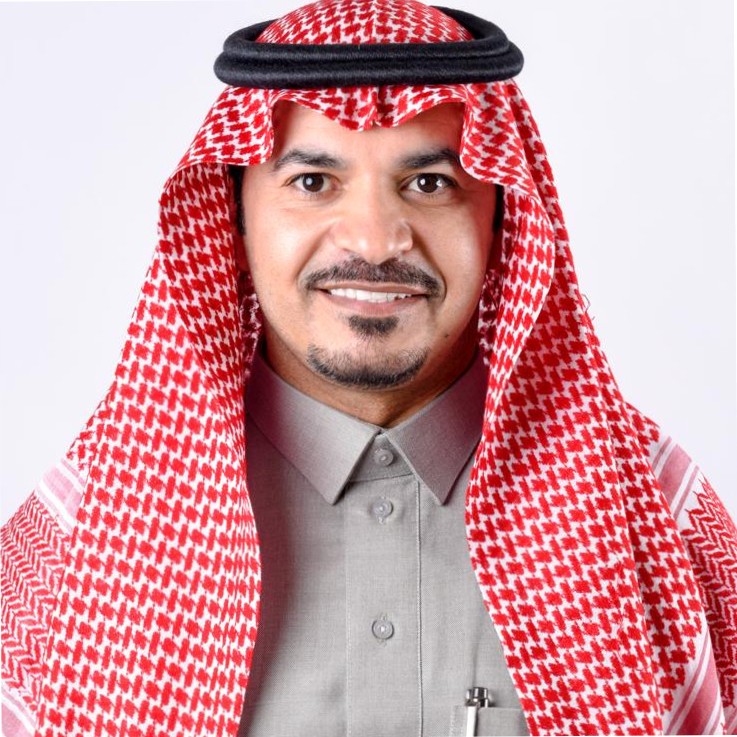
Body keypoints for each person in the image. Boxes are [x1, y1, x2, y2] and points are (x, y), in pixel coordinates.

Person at [2, 1, 735, 736]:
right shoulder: (76, 539)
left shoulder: (653, 516)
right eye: (312, 182)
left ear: (502, 219)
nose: (376, 241)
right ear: (233, 217)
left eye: (430, 184)